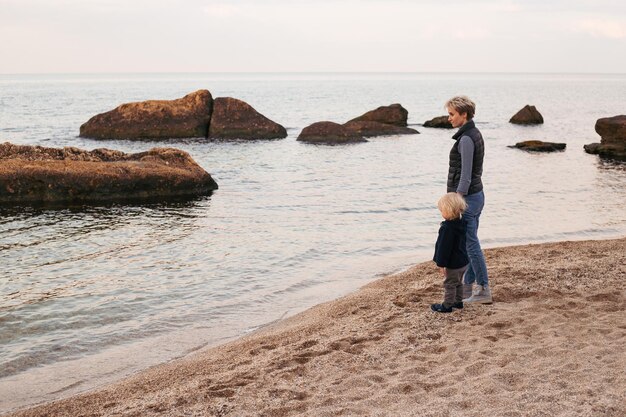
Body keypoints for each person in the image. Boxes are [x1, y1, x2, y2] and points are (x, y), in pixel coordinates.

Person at [445, 96, 492, 304]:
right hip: (477, 195)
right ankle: (469, 286)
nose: (449, 118)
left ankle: (483, 290)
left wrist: (456, 200)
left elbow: (465, 176)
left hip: (468, 199)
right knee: (471, 242)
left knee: (471, 245)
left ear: (464, 115)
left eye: (452, 114)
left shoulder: (465, 139)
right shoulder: (474, 133)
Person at [431, 192, 469, 313]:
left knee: (449, 284)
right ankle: (458, 302)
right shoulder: (462, 223)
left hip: (453, 264)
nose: (441, 213)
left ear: (448, 211)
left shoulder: (447, 229)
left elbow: (443, 248)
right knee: (458, 283)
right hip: (463, 261)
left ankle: (447, 305)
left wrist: (440, 264)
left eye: (442, 210)